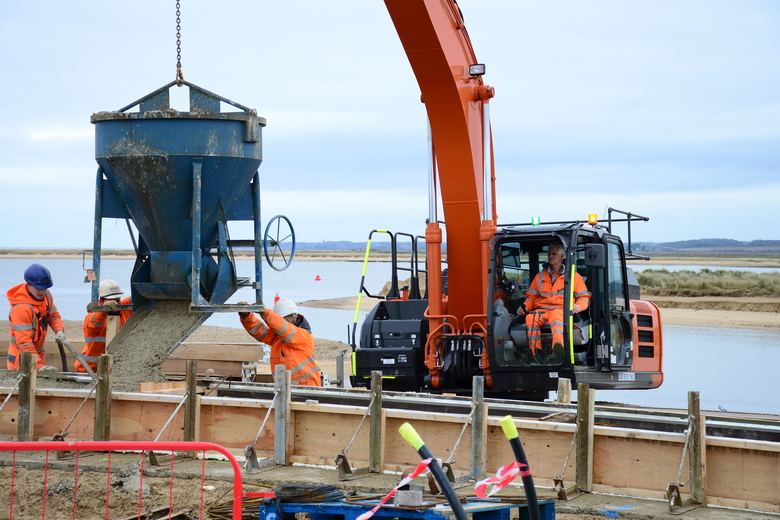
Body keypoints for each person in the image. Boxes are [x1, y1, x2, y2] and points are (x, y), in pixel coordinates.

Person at [517, 244, 590, 361]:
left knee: (556, 316)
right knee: (531, 318)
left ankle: (559, 350)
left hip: (561, 310)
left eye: (554, 254)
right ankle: (535, 354)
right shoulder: (540, 276)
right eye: (549, 254)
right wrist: (525, 307)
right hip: (542, 311)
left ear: (561, 256)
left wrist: (578, 306)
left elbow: (584, 297)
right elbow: (531, 298)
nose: (550, 256)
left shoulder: (574, 276)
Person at [238, 298, 322, 386]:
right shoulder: (279, 337)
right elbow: (259, 331)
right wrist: (247, 317)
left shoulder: (303, 335)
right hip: (286, 388)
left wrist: (264, 312)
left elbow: (282, 327)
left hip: (307, 387)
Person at [6, 263, 66, 370]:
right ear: (28, 285)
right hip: (21, 363)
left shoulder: (46, 295)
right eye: (38, 288)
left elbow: (53, 315)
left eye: (44, 288)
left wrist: (59, 330)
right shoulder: (21, 309)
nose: (42, 291)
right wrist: (39, 367)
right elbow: (24, 343)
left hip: (37, 358)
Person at [75, 279, 133, 373]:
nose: (115, 305)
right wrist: (104, 310)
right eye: (111, 301)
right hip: (90, 370)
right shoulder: (93, 317)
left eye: (117, 301)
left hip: (115, 370)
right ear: (100, 302)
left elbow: (137, 297)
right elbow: (95, 320)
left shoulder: (124, 308)